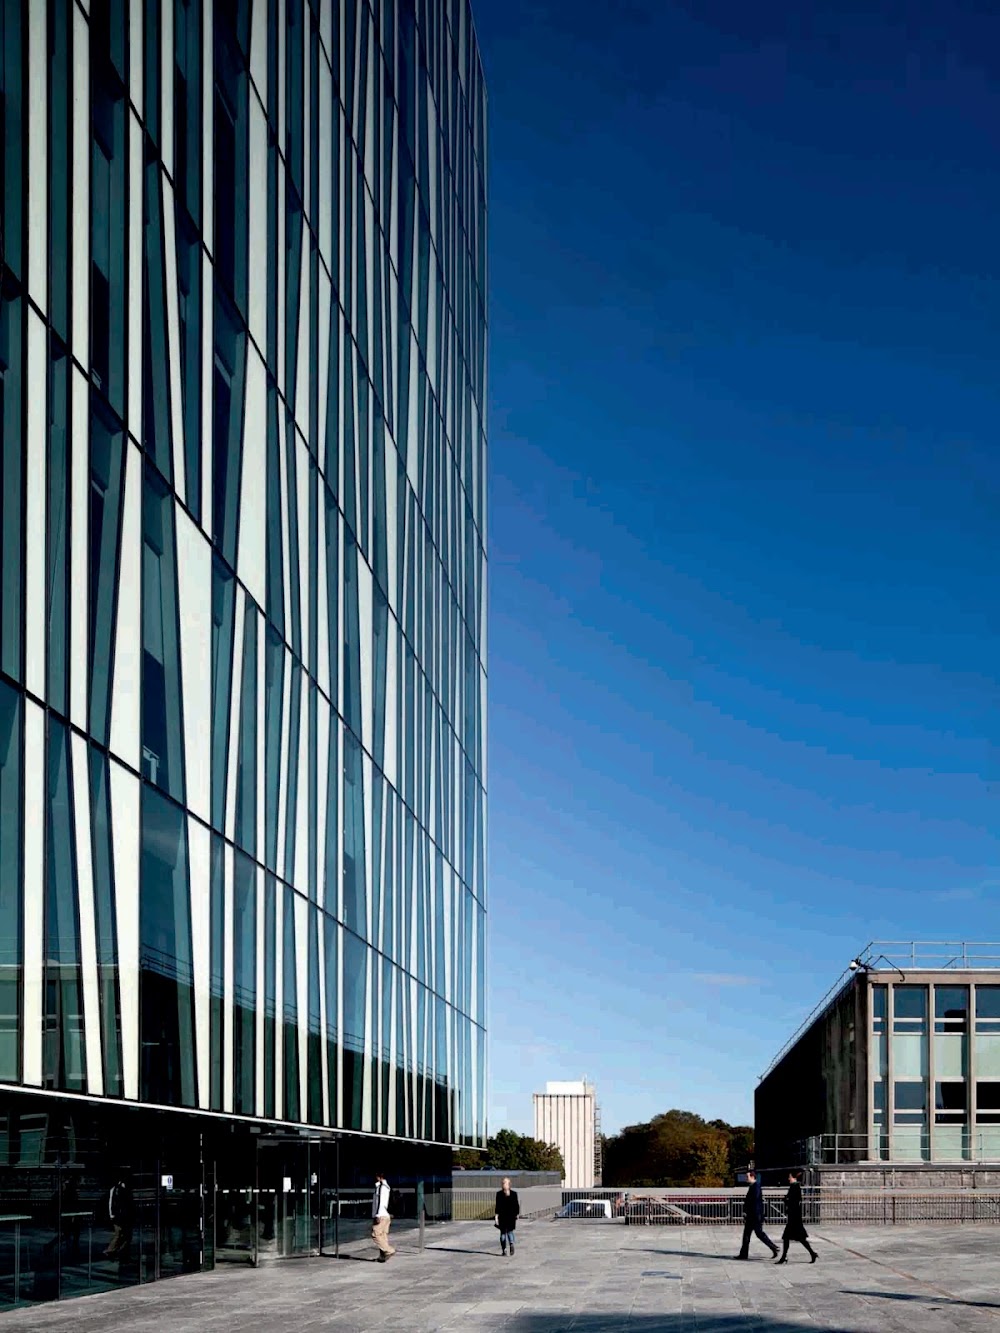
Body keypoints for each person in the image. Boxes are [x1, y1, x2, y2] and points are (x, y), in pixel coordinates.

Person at [735, 1169, 778, 1260]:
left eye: (747, 1176)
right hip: (751, 1215)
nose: (746, 1178)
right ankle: (743, 1254)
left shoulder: (756, 1186)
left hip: (755, 1216)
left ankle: (773, 1247)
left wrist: (750, 1213)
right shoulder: (753, 1186)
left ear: (752, 1176)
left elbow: (755, 1202)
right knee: (746, 1235)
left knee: (759, 1234)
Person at [775, 1170, 817, 1264]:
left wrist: (786, 1200)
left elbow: (793, 1201)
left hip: (795, 1218)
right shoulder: (793, 1186)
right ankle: (811, 1253)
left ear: (793, 1177)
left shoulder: (795, 1187)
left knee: (793, 1238)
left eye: (789, 1177)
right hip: (793, 1217)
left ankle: (784, 1257)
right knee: (795, 1238)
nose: (788, 1179)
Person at [104, 1172, 133, 1259]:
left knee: (125, 1235)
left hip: (123, 1216)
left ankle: (116, 1251)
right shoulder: (116, 1189)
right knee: (119, 1234)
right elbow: (111, 1203)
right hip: (119, 1216)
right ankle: (111, 1250)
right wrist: (112, 1215)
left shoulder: (125, 1189)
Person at [371, 1172, 395, 1263]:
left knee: (375, 1234)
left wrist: (377, 1215)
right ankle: (382, 1256)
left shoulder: (381, 1187)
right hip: (386, 1215)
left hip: (381, 1215)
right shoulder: (386, 1187)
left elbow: (380, 1203)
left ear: (379, 1177)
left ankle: (389, 1250)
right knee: (383, 1235)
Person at [494, 1177, 520, 1256]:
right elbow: (497, 1206)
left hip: (509, 1216)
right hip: (505, 1216)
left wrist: (517, 1214)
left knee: (507, 1232)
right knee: (507, 1232)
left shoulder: (512, 1194)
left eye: (504, 1183)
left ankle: (508, 1247)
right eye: (503, 1183)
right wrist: (496, 1216)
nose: (503, 1184)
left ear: (508, 1184)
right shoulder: (500, 1194)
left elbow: (516, 1205)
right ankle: (507, 1247)